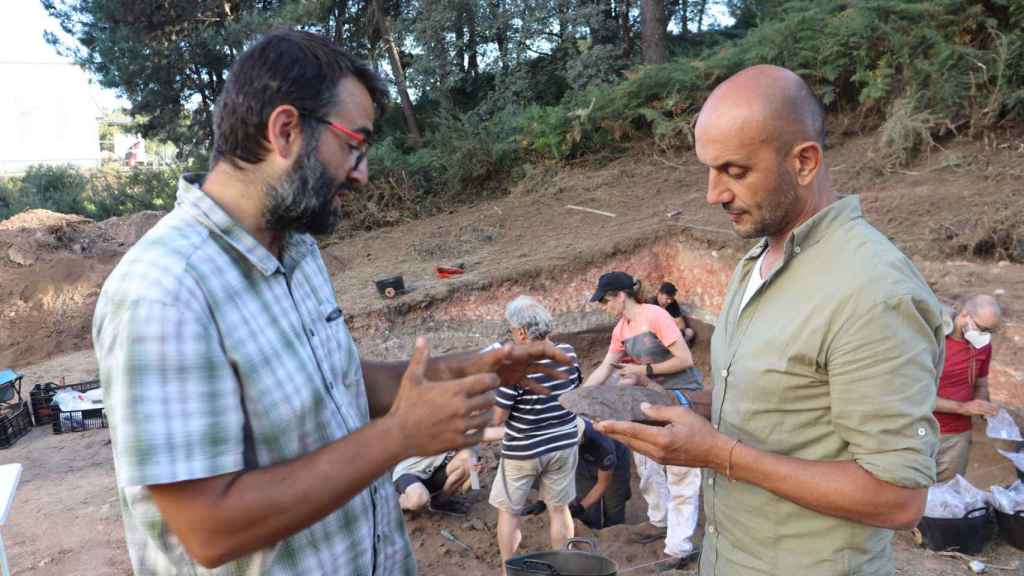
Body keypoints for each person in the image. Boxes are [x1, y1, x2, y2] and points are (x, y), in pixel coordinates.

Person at [92, 30, 570, 575]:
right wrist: (399, 437)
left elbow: (336, 382)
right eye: (353, 145)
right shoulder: (164, 291)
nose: (362, 174)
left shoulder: (295, 249)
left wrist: (475, 367)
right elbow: (208, 527)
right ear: (286, 130)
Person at [597, 65, 944, 575]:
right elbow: (774, 401)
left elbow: (898, 497)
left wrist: (718, 455)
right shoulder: (755, 264)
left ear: (804, 162)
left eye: (734, 172)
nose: (713, 193)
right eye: (709, 170)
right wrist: (675, 403)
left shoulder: (872, 290)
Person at [582, 272, 702, 571]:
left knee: (680, 471)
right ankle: (659, 520)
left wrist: (643, 372)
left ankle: (680, 547)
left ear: (621, 296)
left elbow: (685, 359)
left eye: (605, 300)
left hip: (680, 396)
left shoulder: (655, 316)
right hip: (649, 397)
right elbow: (605, 368)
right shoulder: (621, 329)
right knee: (647, 462)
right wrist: (580, 395)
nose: (603, 306)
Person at [488, 295, 581, 573]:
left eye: (511, 329)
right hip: (564, 441)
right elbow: (576, 391)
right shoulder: (568, 352)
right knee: (559, 508)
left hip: (524, 448)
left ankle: (509, 571)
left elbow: (498, 418)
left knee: (509, 512)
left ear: (522, 332)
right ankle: (565, 567)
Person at [933, 294, 1003, 481]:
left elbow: (980, 382)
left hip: (958, 436)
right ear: (965, 315)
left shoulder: (982, 346)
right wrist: (962, 408)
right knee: (911, 496)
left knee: (949, 497)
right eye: (982, 328)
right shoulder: (933, 342)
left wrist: (982, 402)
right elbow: (916, 395)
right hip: (925, 430)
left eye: (990, 331)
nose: (984, 335)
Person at [572, 418, 632, 530]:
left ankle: (613, 534)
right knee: (586, 505)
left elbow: (602, 484)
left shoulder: (603, 446)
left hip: (615, 463)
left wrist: (579, 508)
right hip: (583, 461)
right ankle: (591, 531)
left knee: (613, 504)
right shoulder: (564, 429)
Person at [393, 448, 479, 515]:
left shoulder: (472, 445)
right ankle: (395, 503)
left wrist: (474, 476)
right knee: (419, 499)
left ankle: (440, 501)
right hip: (408, 472)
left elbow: (471, 487)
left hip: (433, 474)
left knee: (468, 455)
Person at [649, 281, 696, 345]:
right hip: (656, 335)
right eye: (667, 298)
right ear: (659, 294)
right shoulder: (651, 304)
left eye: (672, 299)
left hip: (671, 333)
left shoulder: (673, 302)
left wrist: (679, 331)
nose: (669, 301)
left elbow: (681, 322)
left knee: (689, 332)